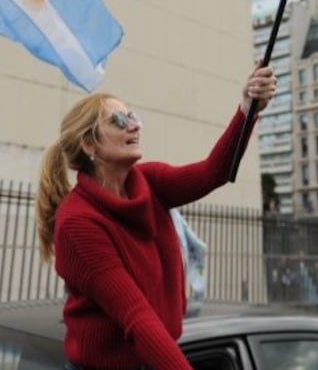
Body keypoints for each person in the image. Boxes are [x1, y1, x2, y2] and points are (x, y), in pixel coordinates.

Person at [36, 63, 277, 370]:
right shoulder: (77, 222)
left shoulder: (148, 181)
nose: (133, 125)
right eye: (119, 120)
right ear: (89, 144)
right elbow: (136, 315)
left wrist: (247, 109)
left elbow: (213, 172)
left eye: (133, 116)